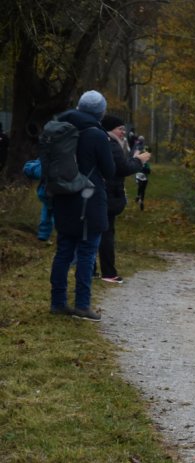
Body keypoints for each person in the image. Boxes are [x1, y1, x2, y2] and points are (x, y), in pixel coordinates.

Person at [48, 90, 116, 321]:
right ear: (101, 112)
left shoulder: (59, 128)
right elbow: (109, 170)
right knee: (87, 252)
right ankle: (82, 305)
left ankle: (58, 302)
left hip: (63, 197)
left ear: (78, 107)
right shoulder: (97, 134)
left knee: (64, 251)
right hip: (89, 199)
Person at [98, 115, 151, 284]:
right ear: (110, 129)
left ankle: (93, 270)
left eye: (124, 129)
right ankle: (108, 273)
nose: (123, 132)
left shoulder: (104, 141)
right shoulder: (112, 144)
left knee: (95, 232)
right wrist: (139, 161)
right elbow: (122, 168)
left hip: (102, 192)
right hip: (108, 193)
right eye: (120, 129)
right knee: (106, 233)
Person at [23, 158, 54, 242]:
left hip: (49, 192)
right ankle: (44, 234)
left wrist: (29, 166)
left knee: (48, 209)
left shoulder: (50, 154)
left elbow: (36, 172)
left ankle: (44, 234)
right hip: (66, 192)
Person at [134, 136, 150, 210]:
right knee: (143, 188)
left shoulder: (137, 148)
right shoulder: (145, 148)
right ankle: (141, 199)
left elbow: (134, 157)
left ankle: (138, 196)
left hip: (139, 171)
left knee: (140, 186)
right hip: (144, 171)